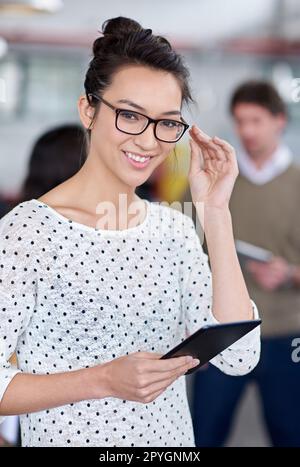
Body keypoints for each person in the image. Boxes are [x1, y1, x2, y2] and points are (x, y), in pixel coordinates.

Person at [0, 17, 260, 447]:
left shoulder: (173, 229)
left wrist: (215, 212)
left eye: (167, 123)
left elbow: (238, 357)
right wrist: (103, 379)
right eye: (129, 116)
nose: (149, 140)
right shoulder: (28, 233)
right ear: (88, 109)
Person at [192, 80, 300, 447]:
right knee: (204, 434)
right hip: (222, 332)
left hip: (287, 334)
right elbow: (188, 256)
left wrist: (291, 273)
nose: (247, 131)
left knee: (290, 433)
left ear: (279, 121)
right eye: (240, 121)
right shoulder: (213, 181)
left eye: (256, 120)